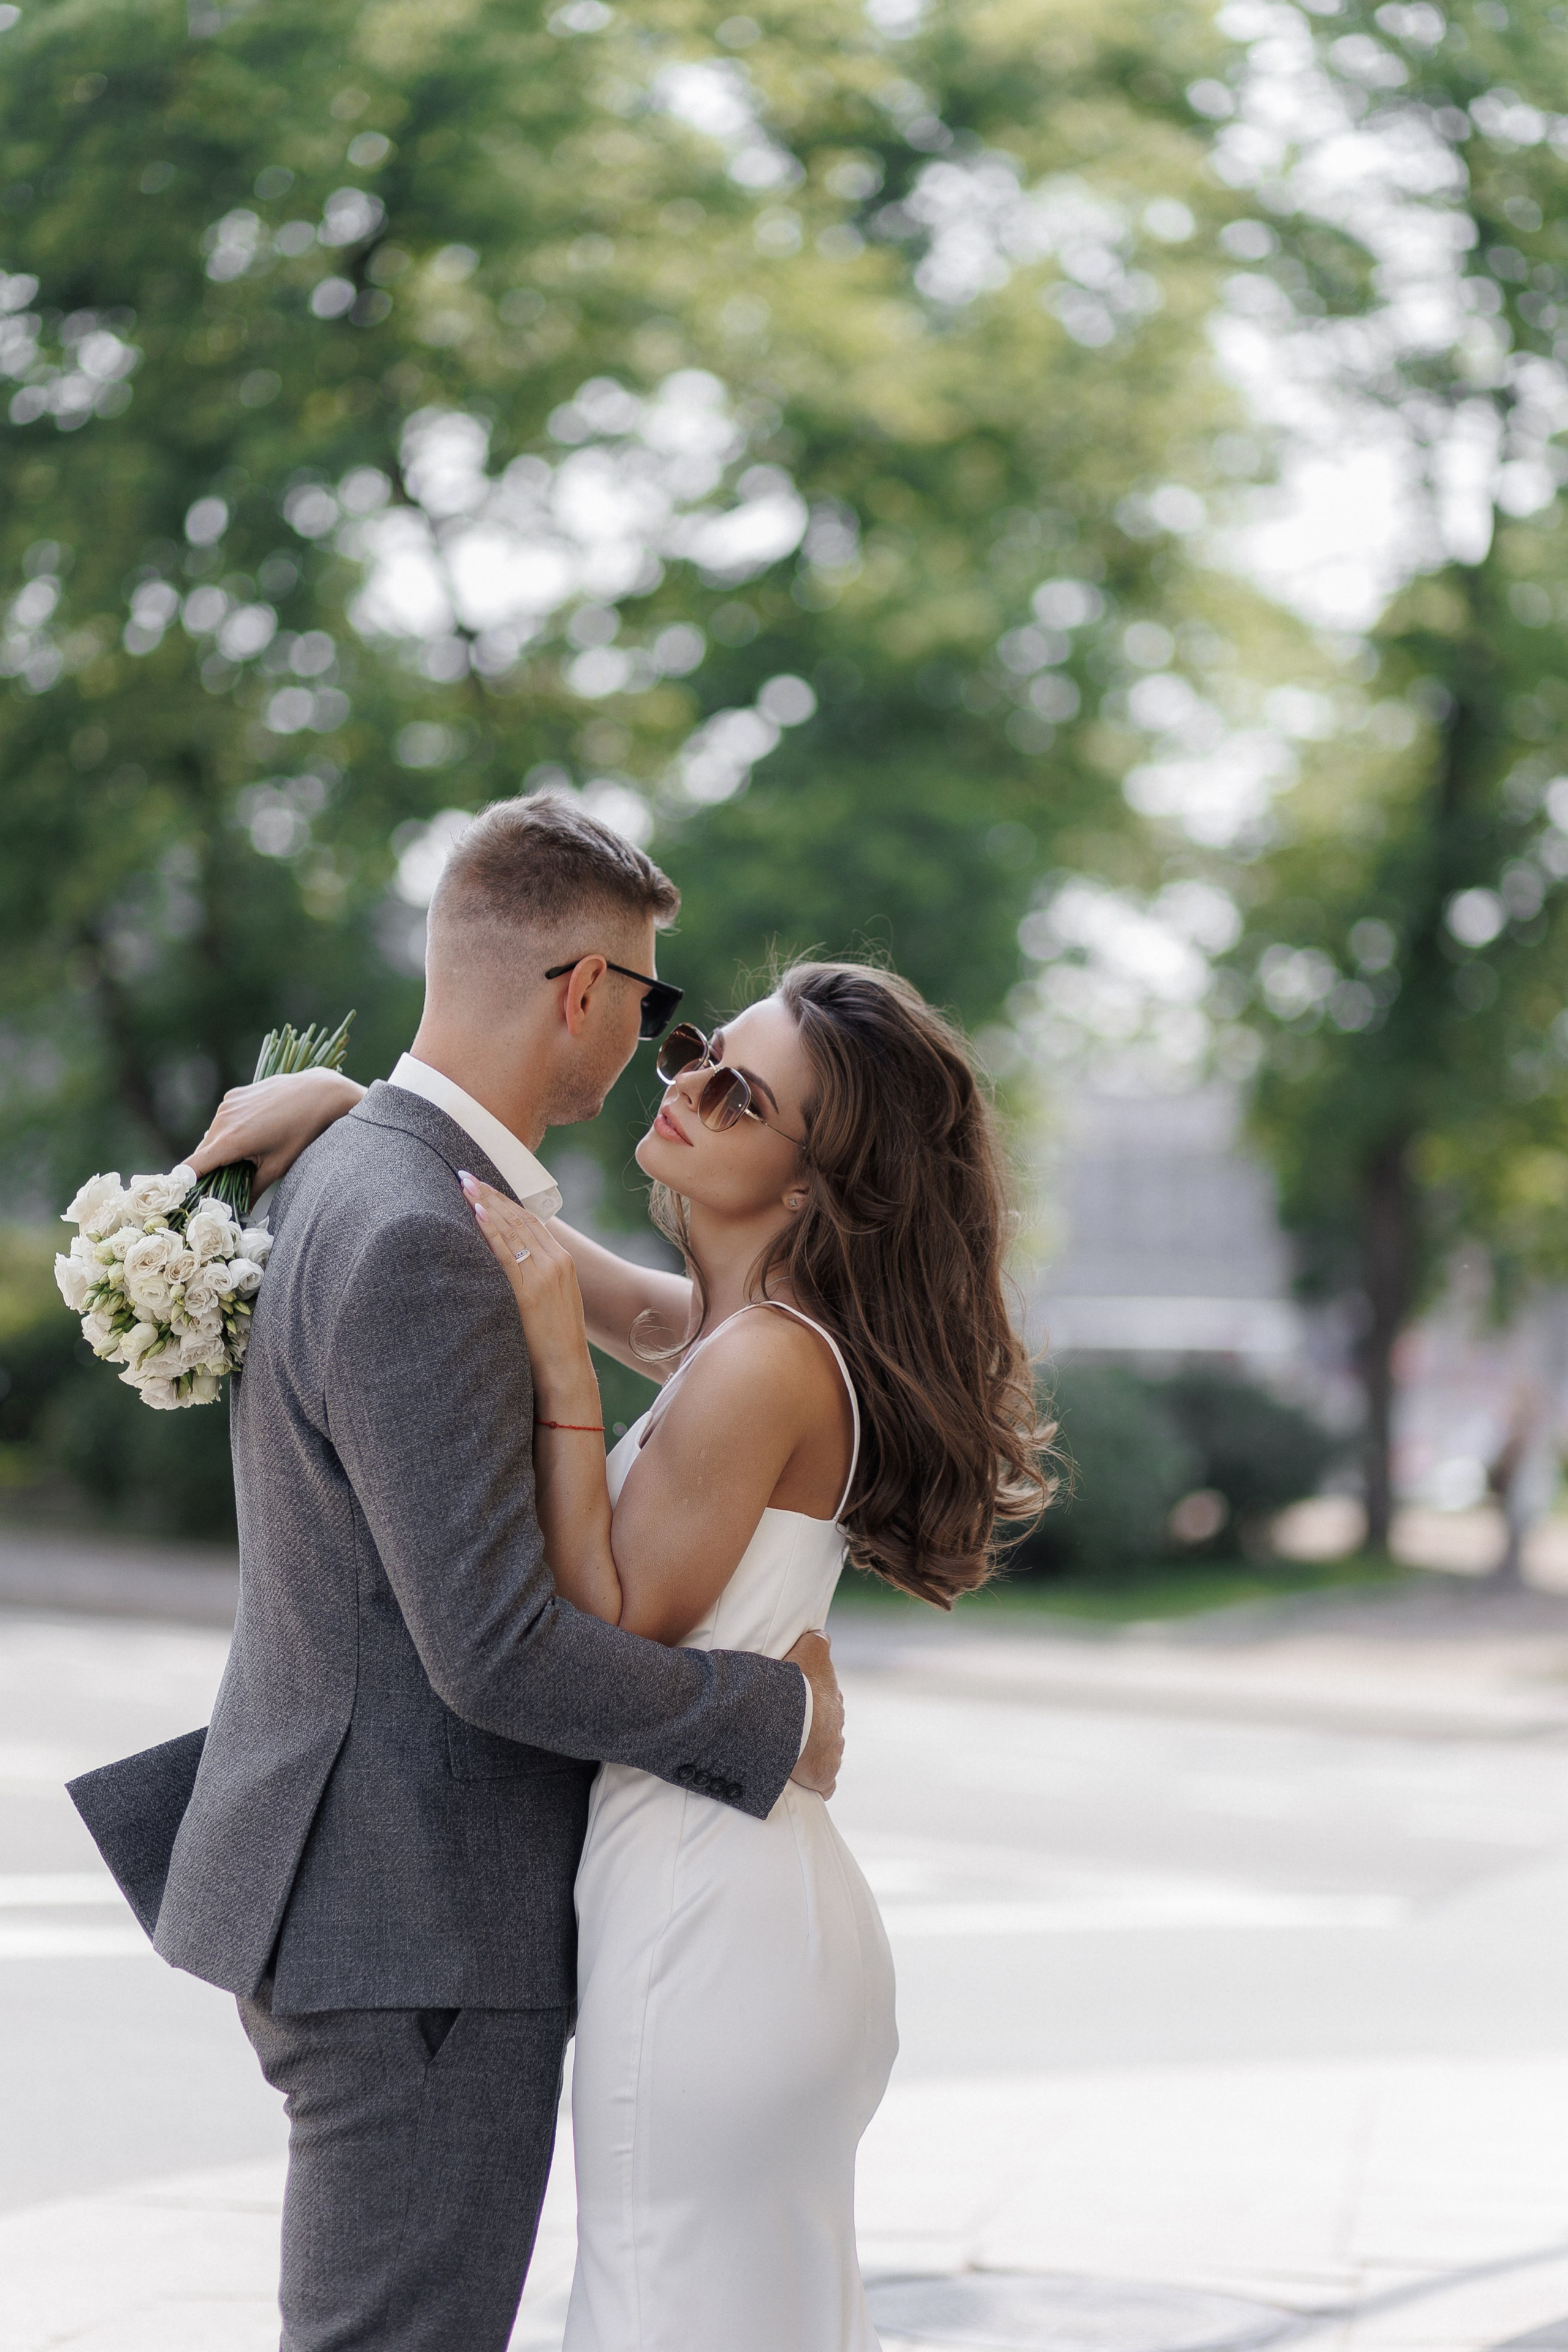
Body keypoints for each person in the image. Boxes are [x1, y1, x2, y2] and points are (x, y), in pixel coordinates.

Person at [207, 886, 1049, 2350]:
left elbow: (601, 1614)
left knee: (669, 2309)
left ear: (812, 1185)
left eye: (740, 1097)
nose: (688, 1086)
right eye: (701, 1049)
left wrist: (557, 1365)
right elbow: (515, 1228)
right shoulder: (732, 1333)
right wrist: (357, 1109)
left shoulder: (759, 1365)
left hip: (706, 1911)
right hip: (734, 1891)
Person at [67, 792, 844, 2352]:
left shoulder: (362, 1172)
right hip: (418, 1924)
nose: (655, 1055)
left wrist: (350, 1097)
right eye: (656, 1015)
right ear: (585, 991)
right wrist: (769, 1717)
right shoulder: (420, 1227)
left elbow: (697, 1340)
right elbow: (493, 1651)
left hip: (378, 1903)